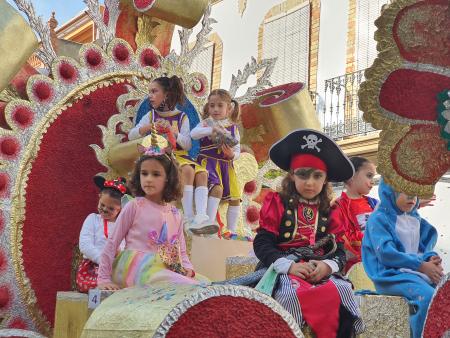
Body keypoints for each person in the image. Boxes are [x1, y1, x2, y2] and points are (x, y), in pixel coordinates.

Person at [253, 129, 364, 338]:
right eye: (303, 174)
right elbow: (262, 243)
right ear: (292, 175)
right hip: (283, 269)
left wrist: (327, 265)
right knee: (288, 295)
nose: (310, 182)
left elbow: (338, 251)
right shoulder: (276, 203)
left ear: (325, 180)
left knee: (343, 292)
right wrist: (290, 266)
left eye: (317, 176)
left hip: (318, 270)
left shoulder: (331, 211)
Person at [97, 141, 200, 290]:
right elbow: (112, 243)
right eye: (144, 173)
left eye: (156, 174)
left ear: (168, 178)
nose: (148, 179)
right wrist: (103, 278)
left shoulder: (175, 214)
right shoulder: (135, 206)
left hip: (164, 269)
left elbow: (181, 251)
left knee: (198, 284)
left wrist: (187, 268)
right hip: (134, 269)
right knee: (183, 285)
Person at [362, 178, 444, 338]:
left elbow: (421, 248)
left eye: (415, 193)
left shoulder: (413, 218)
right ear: (389, 191)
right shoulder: (379, 218)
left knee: (444, 295)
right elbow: (386, 253)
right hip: (391, 276)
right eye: (406, 192)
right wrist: (421, 266)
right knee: (427, 298)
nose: (411, 198)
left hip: (414, 273)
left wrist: (431, 259)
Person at [128, 76, 209, 230]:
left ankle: (195, 216)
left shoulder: (182, 117)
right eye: (149, 92)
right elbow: (132, 135)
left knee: (195, 171)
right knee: (181, 169)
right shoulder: (150, 116)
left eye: (154, 91)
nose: (150, 96)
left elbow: (188, 144)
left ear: (166, 95)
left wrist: (173, 132)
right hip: (158, 154)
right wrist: (149, 127)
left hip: (178, 155)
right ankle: (182, 215)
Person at [190, 89, 241, 238]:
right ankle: (209, 224)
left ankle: (232, 231)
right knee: (216, 189)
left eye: (220, 105)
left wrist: (232, 155)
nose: (215, 109)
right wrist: (211, 129)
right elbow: (193, 134)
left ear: (229, 108)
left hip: (226, 165)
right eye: (212, 106)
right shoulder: (206, 123)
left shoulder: (233, 127)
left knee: (235, 198)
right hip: (208, 163)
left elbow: (237, 149)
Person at [76, 176, 127, 293]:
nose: (104, 209)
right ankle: (102, 285)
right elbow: (85, 245)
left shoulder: (123, 225)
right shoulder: (93, 219)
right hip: (93, 267)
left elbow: (125, 248)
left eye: (111, 208)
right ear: (99, 198)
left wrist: (120, 255)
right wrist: (103, 261)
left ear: (121, 209)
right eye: (102, 205)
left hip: (115, 268)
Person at [329, 156, 377, 272]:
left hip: (380, 260)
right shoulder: (338, 206)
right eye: (369, 175)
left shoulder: (374, 204)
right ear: (351, 176)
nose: (373, 181)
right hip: (356, 267)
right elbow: (340, 239)